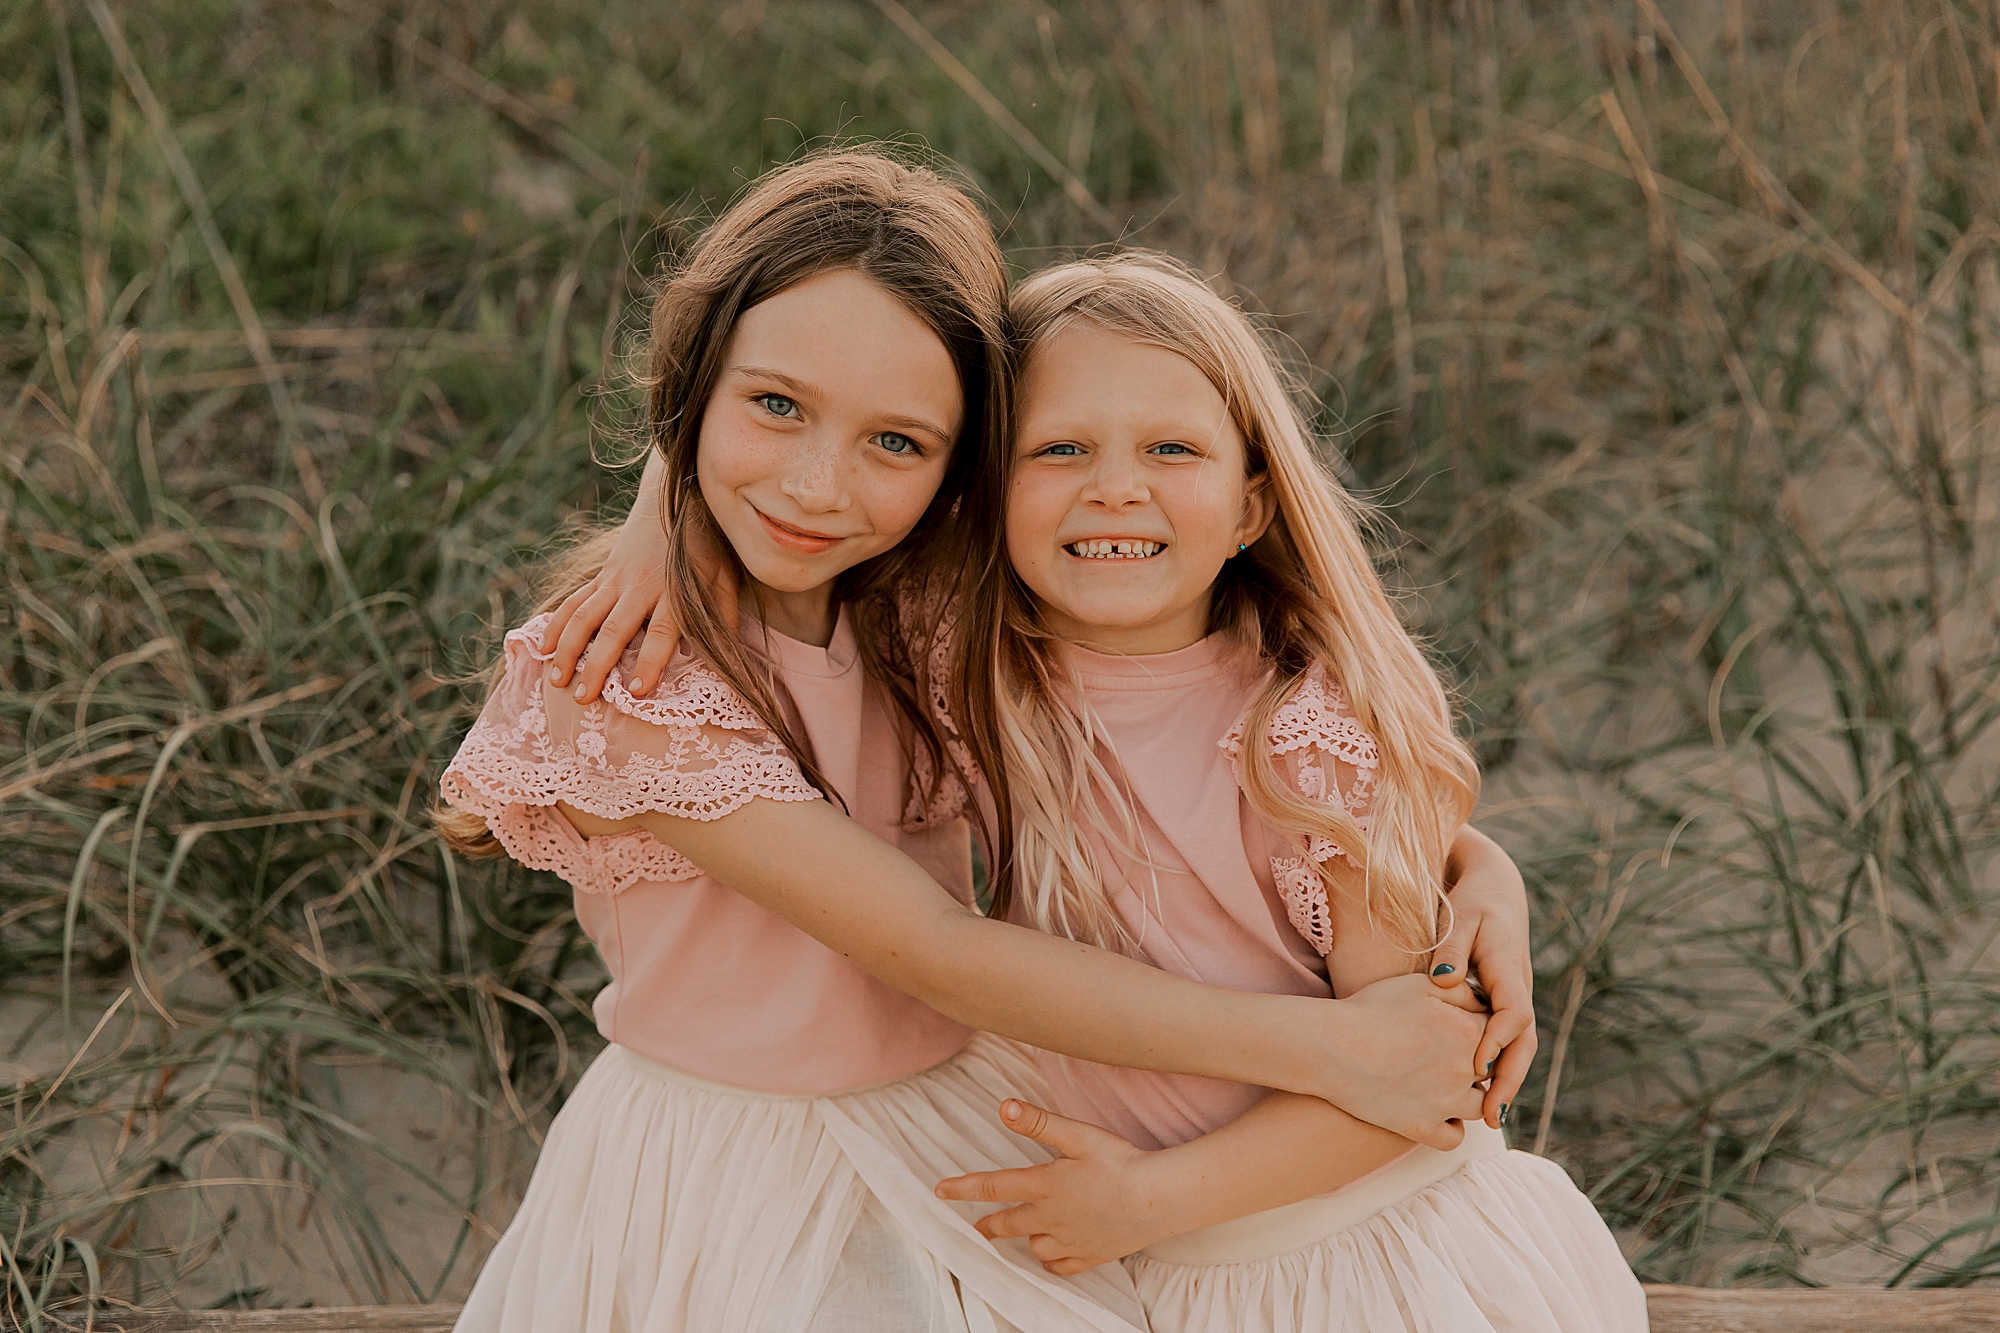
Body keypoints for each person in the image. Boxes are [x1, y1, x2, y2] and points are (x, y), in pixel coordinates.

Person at [439, 152, 1523, 1333]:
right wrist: (1341, 1047)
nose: (816, 485)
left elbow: (1287, 787)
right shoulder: (621, 677)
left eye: (895, 444)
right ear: (691, 390)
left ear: (960, 473)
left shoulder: (922, 614)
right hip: (736, 1163)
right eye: (773, 407)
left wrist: (1479, 873)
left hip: (959, 1124)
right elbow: (929, 944)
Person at [920, 253, 1649, 1332]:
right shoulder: (964, 679)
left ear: (1252, 501)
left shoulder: (1308, 733)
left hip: (1359, 1262)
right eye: (1059, 448)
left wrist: (1149, 1200)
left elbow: (1419, 1083)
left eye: (1171, 449)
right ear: (981, 494)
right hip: (1146, 1266)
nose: (1114, 485)